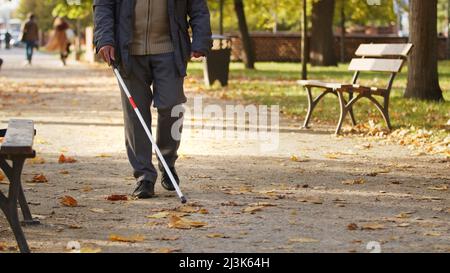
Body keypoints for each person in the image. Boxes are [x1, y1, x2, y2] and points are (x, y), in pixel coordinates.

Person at [94, 0, 212, 199]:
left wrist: (201, 40)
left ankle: (167, 161)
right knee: (136, 115)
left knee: (172, 106)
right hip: (128, 52)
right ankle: (144, 176)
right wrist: (104, 39)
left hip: (170, 50)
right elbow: (103, 5)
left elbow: (198, 7)